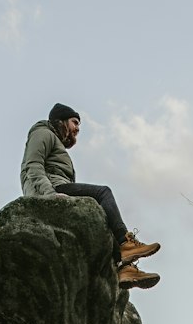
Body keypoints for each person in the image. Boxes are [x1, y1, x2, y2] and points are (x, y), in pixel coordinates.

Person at [20, 103, 160, 289]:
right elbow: (33, 166)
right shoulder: (43, 133)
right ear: (60, 121)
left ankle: (124, 268)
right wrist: (50, 194)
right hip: (51, 189)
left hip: (57, 187)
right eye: (74, 122)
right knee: (103, 193)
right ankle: (126, 244)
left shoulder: (55, 141)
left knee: (103, 218)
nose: (78, 128)